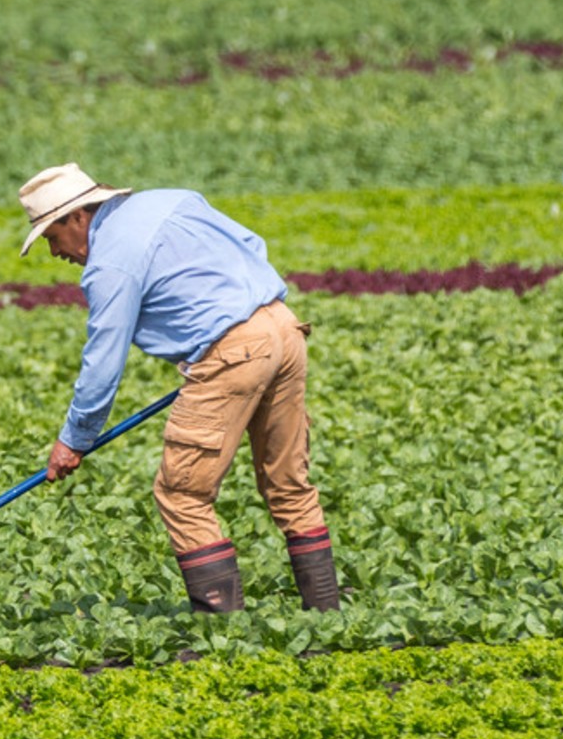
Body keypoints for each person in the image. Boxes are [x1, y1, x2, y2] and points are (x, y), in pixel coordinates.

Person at [24, 163, 338, 613]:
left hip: (233, 352)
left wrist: (74, 439)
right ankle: (328, 616)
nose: (55, 252)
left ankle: (221, 636)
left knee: (182, 494)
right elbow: (251, 245)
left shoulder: (110, 262)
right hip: (285, 328)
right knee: (288, 482)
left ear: (76, 216)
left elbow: (103, 363)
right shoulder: (173, 199)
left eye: (52, 237)